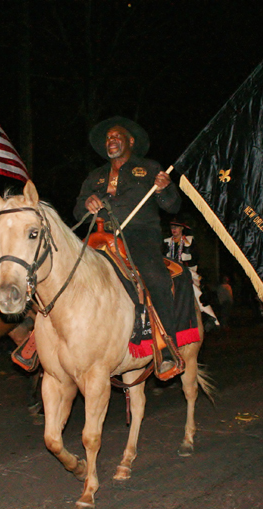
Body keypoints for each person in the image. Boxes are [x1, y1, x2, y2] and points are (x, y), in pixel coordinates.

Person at [74, 116, 182, 379]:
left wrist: (164, 189)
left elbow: (173, 206)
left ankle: (167, 348)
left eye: (116, 136)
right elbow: (77, 211)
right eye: (108, 137)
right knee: (64, 273)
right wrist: (86, 205)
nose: (111, 140)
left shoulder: (148, 168)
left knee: (155, 277)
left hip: (138, 235)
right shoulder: (95, 176)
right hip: (99, 237)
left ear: (130, 141)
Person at [164, 221, 219, 329]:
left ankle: (209, 316)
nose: (174, 229)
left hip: (186, 271)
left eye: (177, 227)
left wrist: (185, 255)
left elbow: (195, 259)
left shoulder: (190, 241)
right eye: (172, 227)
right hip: (169, 271)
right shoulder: (166, 242)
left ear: (182, 228)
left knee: (193, 286)